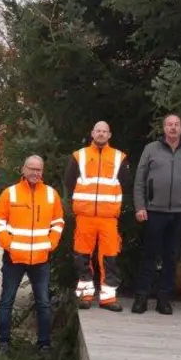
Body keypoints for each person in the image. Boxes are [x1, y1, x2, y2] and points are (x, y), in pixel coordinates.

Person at [0, 155, 64, 354]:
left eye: (38, 169)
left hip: (41, 259)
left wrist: (52, 243)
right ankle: (3, 343)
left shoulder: (51, 194)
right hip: (14, 258)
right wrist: (9, 244)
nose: (35, 172)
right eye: (31, 168)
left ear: (42, 172)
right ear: (23, 170)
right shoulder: (10, 193)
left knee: (44, 303)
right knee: (7, 301)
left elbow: (58, 222)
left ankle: (44, 345)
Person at [131, 114, 181, 315]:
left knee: (171, 258)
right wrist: (139, 206)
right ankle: (141, 297)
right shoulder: (151, 149)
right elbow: (140, 181)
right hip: (153, 211)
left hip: (179, 213)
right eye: (169, 124)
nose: (173, 128)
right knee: (149, 255)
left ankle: (164, 299)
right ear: (164, 128)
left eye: (176, 124)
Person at [63, 121, 129, 311]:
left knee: (110, 257)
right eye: (98, 130)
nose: (101, 134)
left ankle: (108, 298)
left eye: (104, 131)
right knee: (82, 257)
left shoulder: (119, 157)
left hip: (109, 218)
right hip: (84, 217)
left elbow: (126, 184)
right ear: (92, 133)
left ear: (109, 135)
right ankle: (85, 295)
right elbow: (69, 182)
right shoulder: (79, 156)